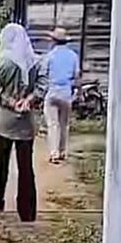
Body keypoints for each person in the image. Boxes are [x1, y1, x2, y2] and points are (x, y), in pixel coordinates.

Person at [0, 23, 47, 222]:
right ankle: (27, 211)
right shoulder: (35, 62)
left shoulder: (1, 62)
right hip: (26, 122)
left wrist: (10, 102)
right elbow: (43, 85)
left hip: (4, 121)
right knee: (25, 167)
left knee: (1, 162)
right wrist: (29, 100)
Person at [43, 27, 80, 164]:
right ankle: (63, 151)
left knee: (53, 124)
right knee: (64, 124)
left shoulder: (50, 56)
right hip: (66, 93)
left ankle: (54, 153)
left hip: (52, 92)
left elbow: (44, 74)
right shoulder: (73, 56)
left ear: (53, 41)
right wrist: (78, 92)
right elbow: (77, 76)